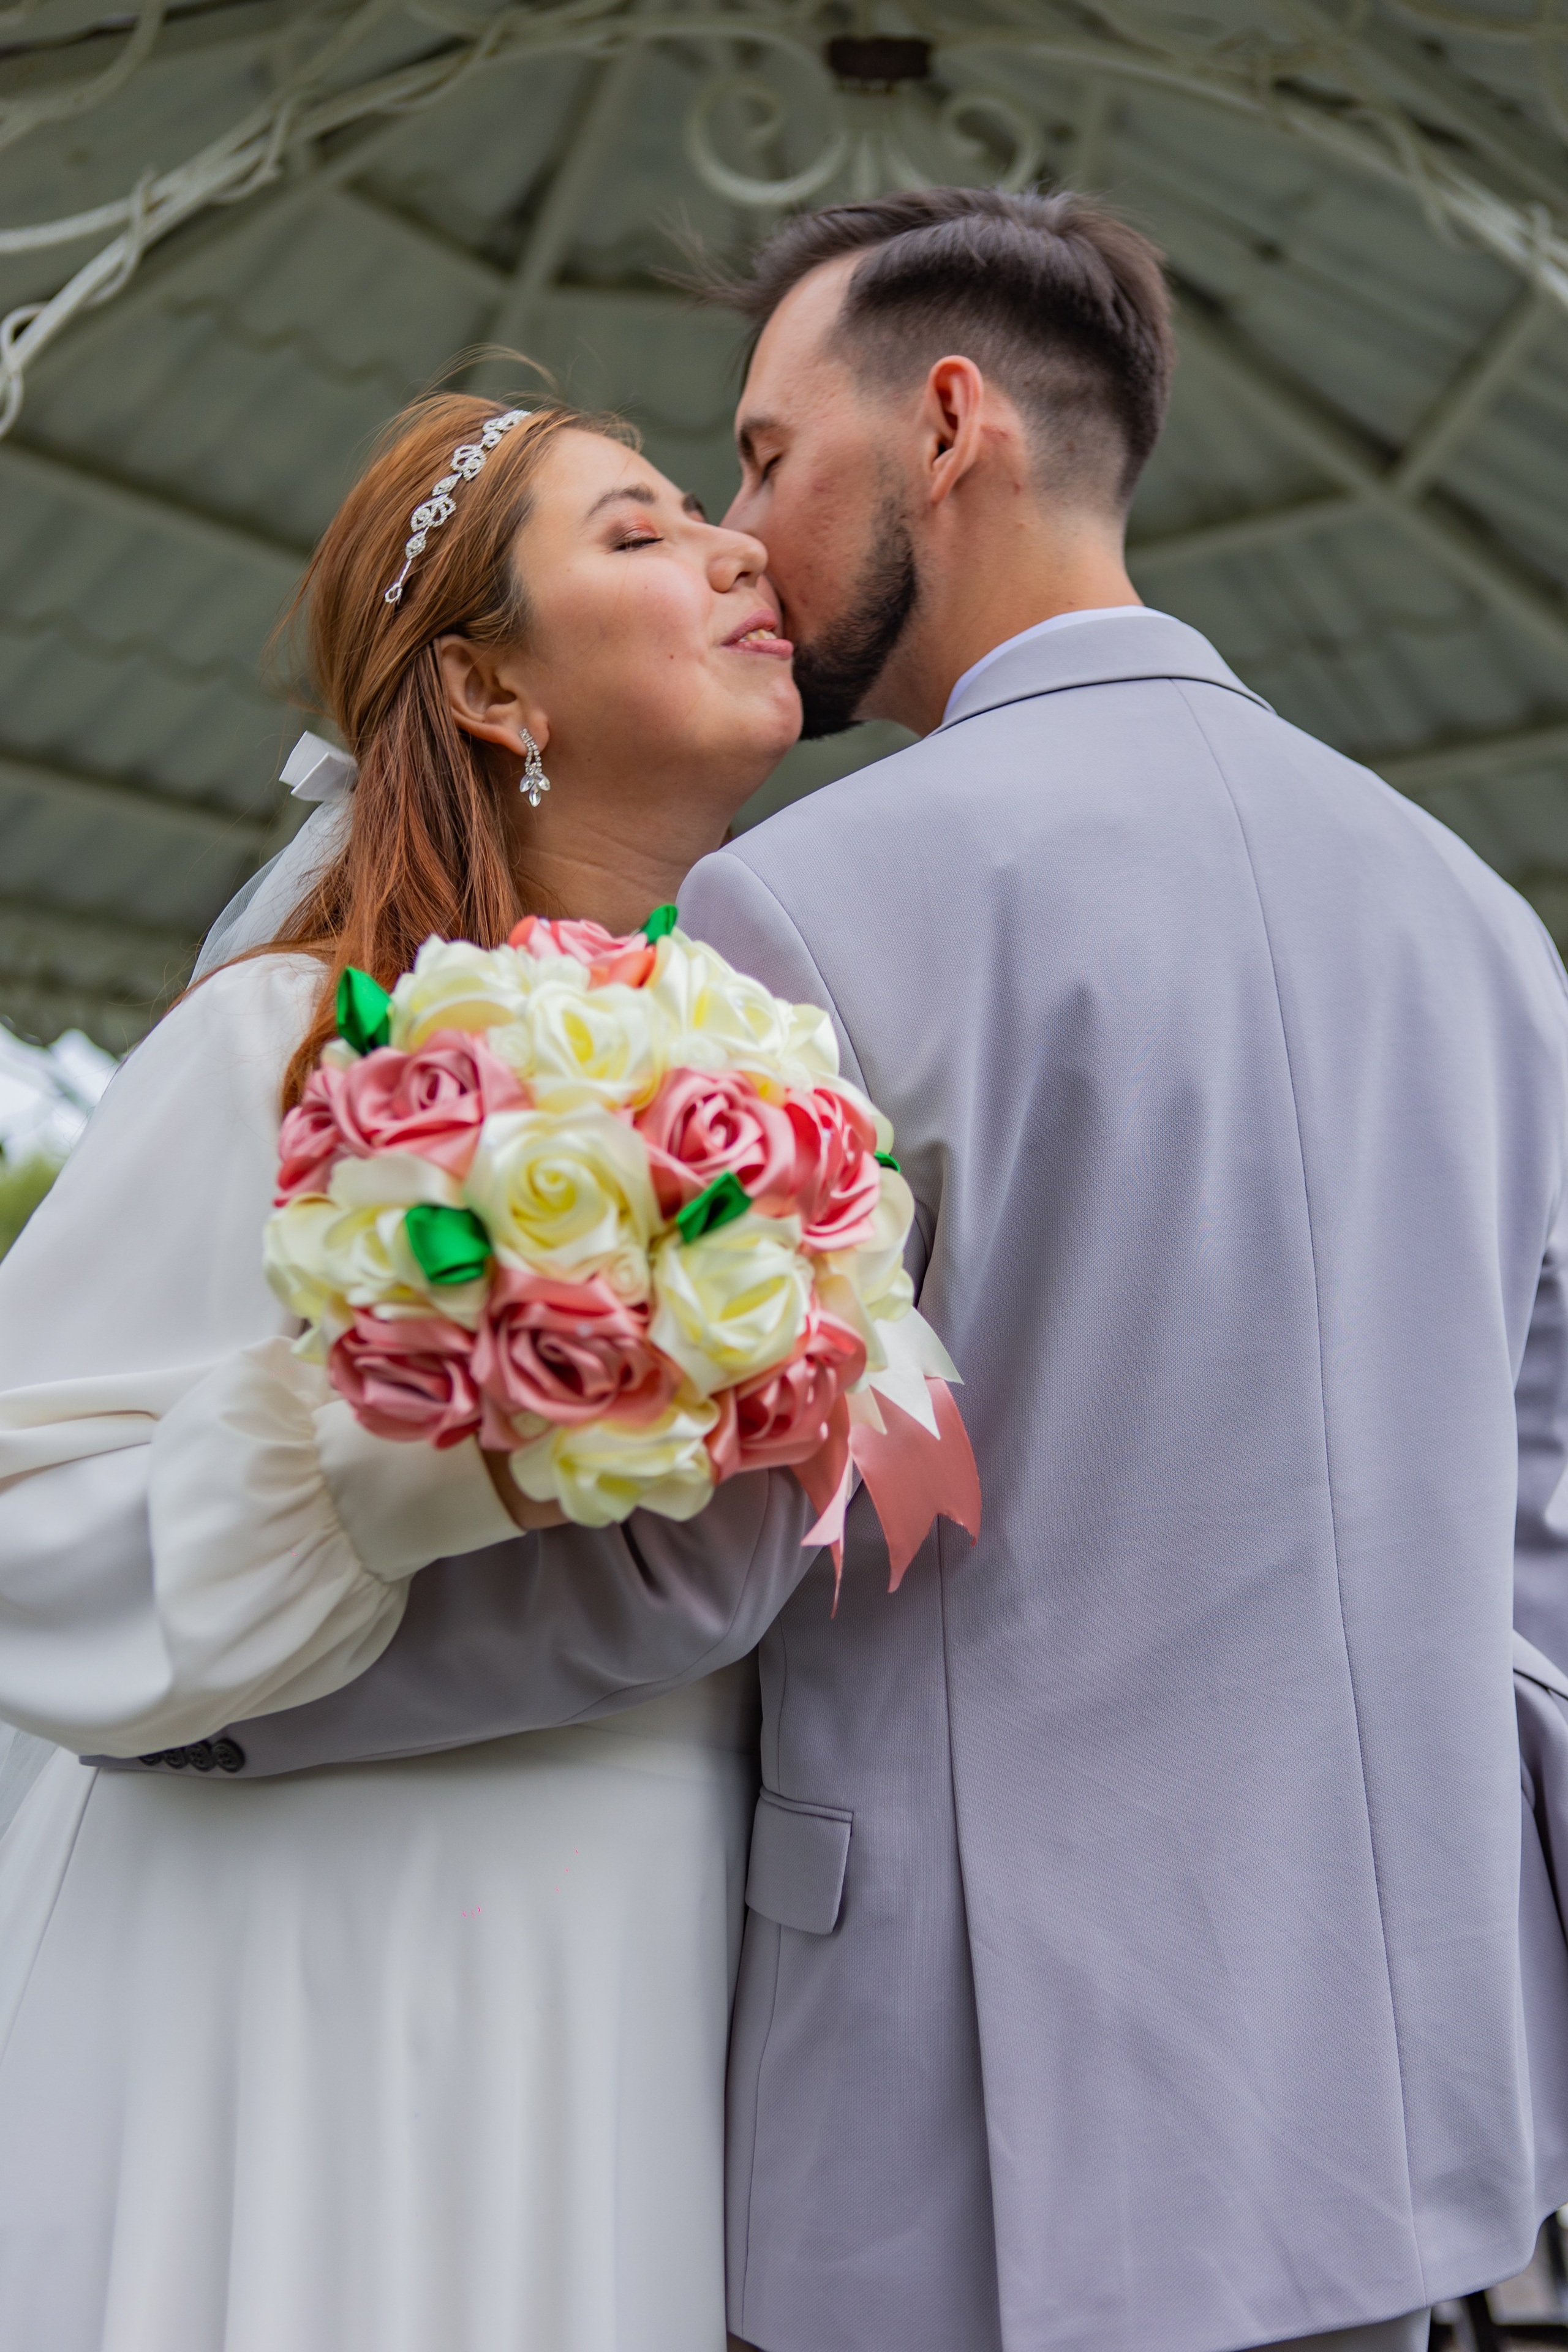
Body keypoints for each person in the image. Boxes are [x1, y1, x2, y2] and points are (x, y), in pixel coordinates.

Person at [164, 189, 1568, 2352]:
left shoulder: (809, 910)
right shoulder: (1484, 924)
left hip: (981, 2114)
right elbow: (1540, 1516)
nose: (744, 531)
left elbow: (695, 1563)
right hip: (1403, 2110)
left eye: (762, 456)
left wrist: (224, 1705)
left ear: (944, 427)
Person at [0, 392, 821, 2351]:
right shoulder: (283, 1040)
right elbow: (26, 1527)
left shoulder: (794, 1081)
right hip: (304, 1939)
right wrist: (409, 1444)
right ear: (487, 689)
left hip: (644, 1938)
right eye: (637, 535)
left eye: (711, 516)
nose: (738, 551)